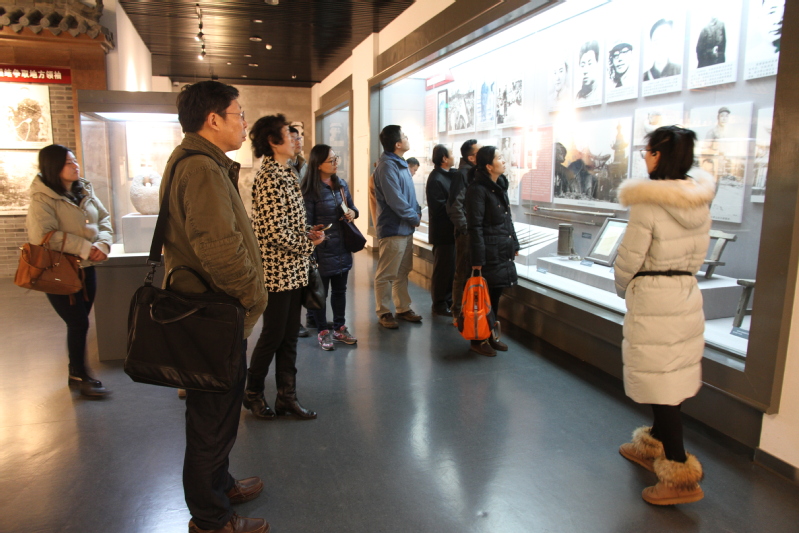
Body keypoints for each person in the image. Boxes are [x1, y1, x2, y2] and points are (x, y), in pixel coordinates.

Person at [161, 81, 269, 533]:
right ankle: (210, 518)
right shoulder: (202, 168)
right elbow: (220, 249)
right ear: (213, 120)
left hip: (209, 311)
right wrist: (252, 296)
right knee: (211, 419)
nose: (244, 123)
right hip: (213, 315)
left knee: (218, 415)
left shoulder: (194, 161)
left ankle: (220, 485)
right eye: (238, 114)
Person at [614, 126, 715, 506]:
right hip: (685, 293)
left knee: (662, 385)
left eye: (647, 150)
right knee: (669, 375)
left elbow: (629, 258)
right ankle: (653, 444)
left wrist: (624, 287)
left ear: (659, 155)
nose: (644, 155)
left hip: (654, 298)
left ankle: (680, 475)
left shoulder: (649, 202)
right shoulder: (698, 201)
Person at [247, 113, 324, 420]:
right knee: (273, 335)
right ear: (272, 141)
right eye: (289, 134)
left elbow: (289, 222)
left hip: (294, 269)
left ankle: (286, 397)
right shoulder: (269, 178)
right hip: (277, 272)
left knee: (290, 335)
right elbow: (272, 231)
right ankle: (252, 393)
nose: (295, 139)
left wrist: (308, 233)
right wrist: (308, 245)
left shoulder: (287, 172)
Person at [26, 144, 112, 398]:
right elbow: (42, 235)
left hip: (87, 268)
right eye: (68, 163)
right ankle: (79, 375)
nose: (75, 166)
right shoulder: (42, 198)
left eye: (75, 161)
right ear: (53, 167)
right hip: (59, 269)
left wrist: (103, 244)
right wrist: (86, 247)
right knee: (78, 322)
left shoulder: (83, 189)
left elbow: (104, 218)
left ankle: (76, 373)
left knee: (80, 323)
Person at [301, 144, 359, 350]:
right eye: (331, 160)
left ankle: (339, 328)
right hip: (322, 249)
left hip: (342, 247)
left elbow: (353, 208)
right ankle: (322, 331)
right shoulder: (310, 190)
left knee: (340, 291)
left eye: (336, 159)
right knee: (321, 293)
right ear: (318, 164)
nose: (335, 163)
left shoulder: (341, 185)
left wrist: (352, 213)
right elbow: (306, 223)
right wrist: (315, 235)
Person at [465, 146, 520, 357]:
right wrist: (477, 259)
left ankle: (489, 336)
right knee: (482, 297)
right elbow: (475, 226)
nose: (503, 161)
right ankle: (477, 339)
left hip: (501, 249)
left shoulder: (499, 186)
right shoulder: (477, 190)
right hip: (487, 252)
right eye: (499, 158)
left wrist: (514, 244)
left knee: (494, 295)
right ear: (489, 166)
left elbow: (507, 219)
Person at [373, 125, 422, 329]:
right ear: (397, 144)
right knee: (386, 273)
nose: (407, 138)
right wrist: (413, 216)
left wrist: (416, 212)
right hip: (393, 229)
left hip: (406, 228)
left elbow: (409, 196)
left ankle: (402, 307)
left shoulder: (400, 164)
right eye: (404, 136)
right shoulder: (387, 166)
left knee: (402, 271)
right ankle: (384, 311)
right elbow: (395, 199)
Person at [448, 139, 480, 324]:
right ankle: (458, 311)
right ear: (471, 157)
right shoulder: (463, 174)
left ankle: (470, 310)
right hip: (467, 233)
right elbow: (455, 205)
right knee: (462, 272)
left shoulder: (475, 173)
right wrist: (466, 229)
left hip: (474, 232)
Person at [425, 144, 457, 316]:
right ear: (444, 158)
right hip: (443, 232)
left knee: (450, 269)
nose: (454, 157)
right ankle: (439, 303)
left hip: (451, 232)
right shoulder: (436, 178)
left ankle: (448, 301)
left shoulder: (449, 175)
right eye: (451, 154)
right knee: (443, 270)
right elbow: (439, 207)